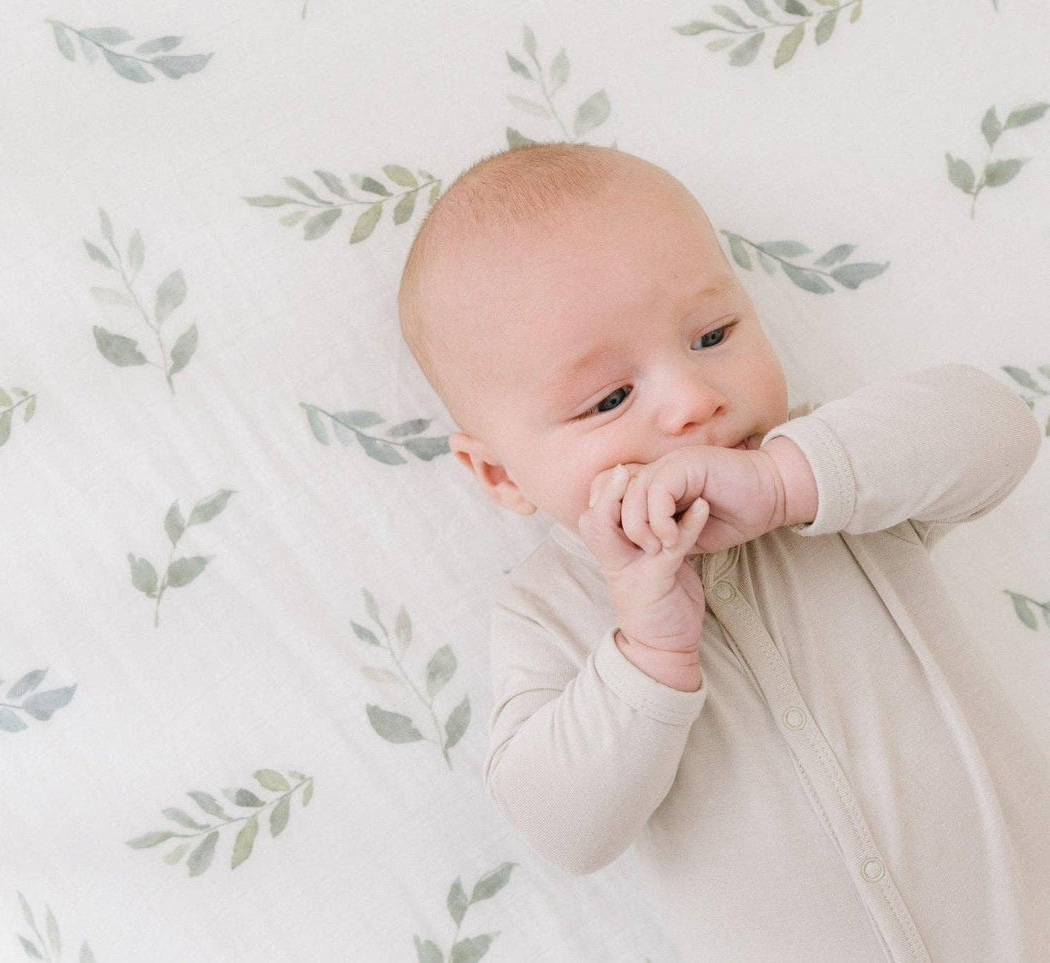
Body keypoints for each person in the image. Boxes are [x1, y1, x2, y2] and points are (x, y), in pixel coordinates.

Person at [396, 141, 1048, 960]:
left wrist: (784, 482)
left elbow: (997, 427)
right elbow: (562, 829)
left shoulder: (840, 471)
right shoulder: (550, 605)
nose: (693, 400)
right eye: (608, 397)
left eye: (711, 334)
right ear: (498, 471)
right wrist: (647, 650)